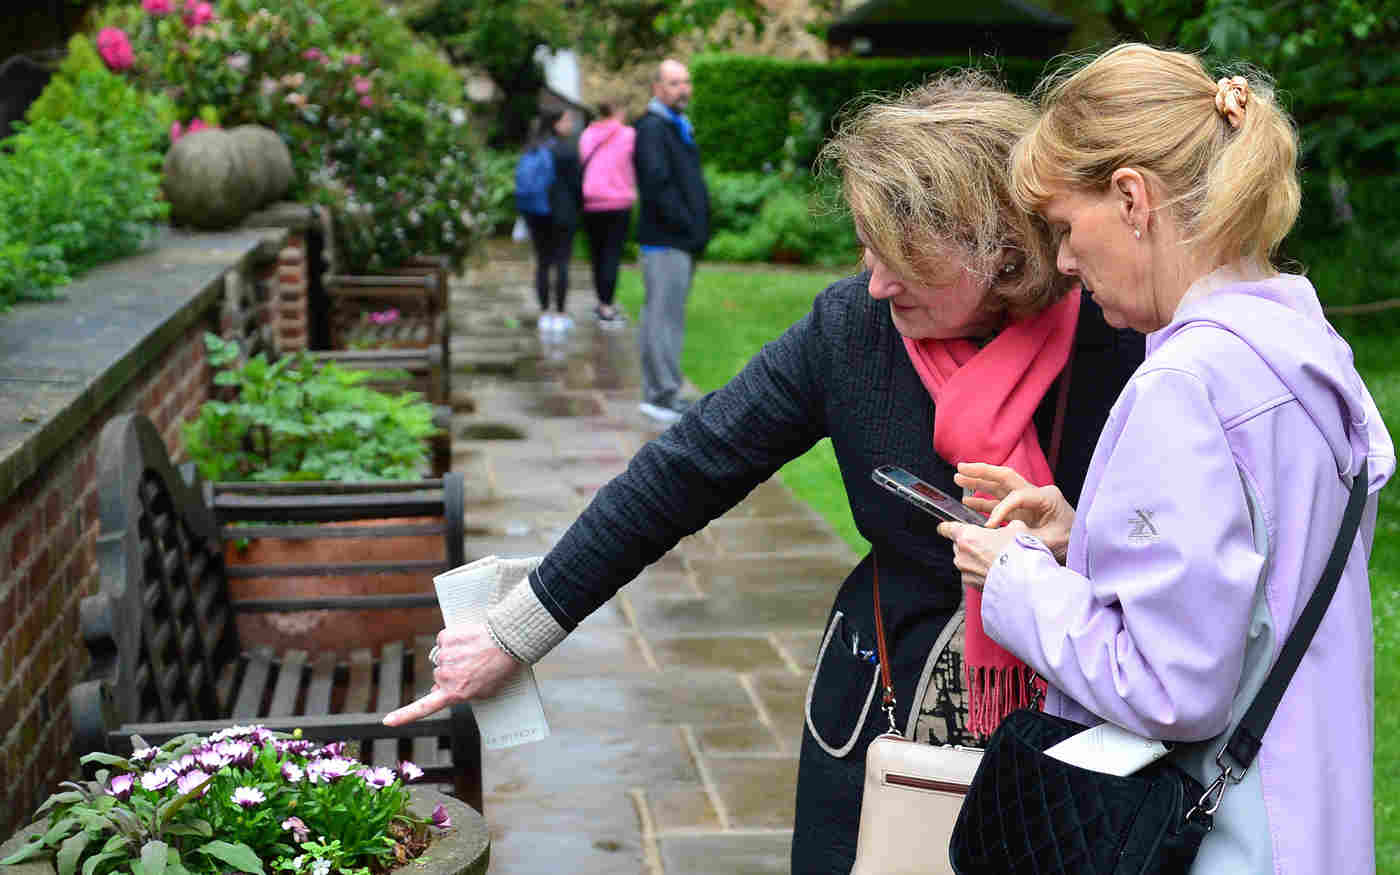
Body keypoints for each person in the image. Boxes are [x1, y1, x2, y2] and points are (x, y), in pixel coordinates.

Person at [385, 72, 1145, 872]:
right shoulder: (852, 327)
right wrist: (517, 631)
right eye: (868, 247)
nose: (878, 282)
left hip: (1073, 742)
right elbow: (686, 468)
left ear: (1000, 248)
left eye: (906, 259)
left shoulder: (1117, 335)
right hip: (877, 731)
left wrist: (1078, 542)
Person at [937, 44, 1395, 874]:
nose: (1066, 263)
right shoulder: (1310, 351)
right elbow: (1267, 587)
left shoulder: (1185, 383)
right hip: (1310, 818)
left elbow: (1170, 687)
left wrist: (1016, 578)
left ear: (1131, 198)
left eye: (1067, 229)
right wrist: (1084, 538)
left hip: (1219, 840)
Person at [632, 58, 710, 425]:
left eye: (686, 82)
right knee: (663, 319)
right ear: (657, 88)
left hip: (677, 240)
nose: (683, 89)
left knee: (664, 316)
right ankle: (662, 395)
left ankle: (662, 391)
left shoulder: (675, 125)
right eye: (675, 83)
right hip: (665, 241)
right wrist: (687, 225)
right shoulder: (652, 128)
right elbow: (657, 185)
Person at [519, 107, 583, 336]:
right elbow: (578, 185)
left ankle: (545, 313)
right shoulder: (568, 150)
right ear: (556, 123)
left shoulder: (534, 147)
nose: (571, 124)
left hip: (537, 213)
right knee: (562, 262)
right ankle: (562, 314)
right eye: (567, 120)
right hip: (563, 213)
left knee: (543, 263)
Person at [578, 96, 637, 329]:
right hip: (618, 202)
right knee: (612, 254)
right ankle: (607, 307)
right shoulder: (628, 135)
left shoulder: (586, 135)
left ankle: (600, 300)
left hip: (590, 202)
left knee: (597, 254)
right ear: (616, 110)